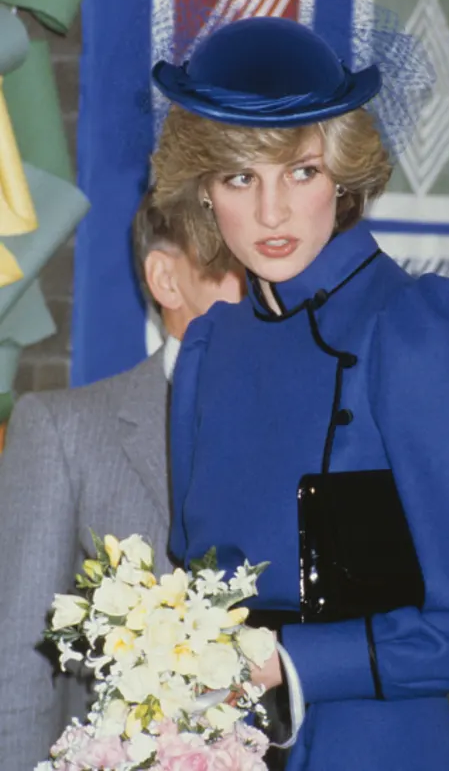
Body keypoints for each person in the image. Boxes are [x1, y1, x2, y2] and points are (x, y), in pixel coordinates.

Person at [152, 16, 449, 770]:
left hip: (379, 748)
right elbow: (196, 582)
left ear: (340, 175)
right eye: (241, 178)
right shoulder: (212, 350)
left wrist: (297, 663)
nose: (272, 213)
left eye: (300, 173)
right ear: (205, 193)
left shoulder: (416, 328)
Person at [0, 188, 244, 771]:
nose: (266, 285)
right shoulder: (64, 431)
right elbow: (16, 674)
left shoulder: (326, 422)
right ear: (166, 279)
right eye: (236, 261)